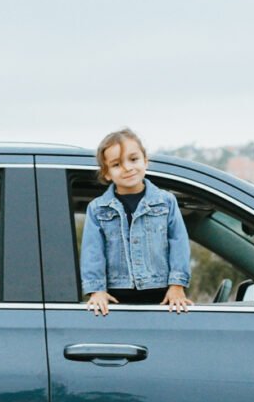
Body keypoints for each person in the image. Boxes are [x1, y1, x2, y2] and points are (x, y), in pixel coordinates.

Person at [80, 128, 192, 315]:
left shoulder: (166, 202)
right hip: (116, 297)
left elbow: (178, 243)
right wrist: (96, 290)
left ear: (145, 161)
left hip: (161, 294)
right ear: (107, 174)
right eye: (116, 164)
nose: (127, 168)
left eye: (133, 159)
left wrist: (177, 285)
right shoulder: (97, 208)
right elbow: (93, 251)